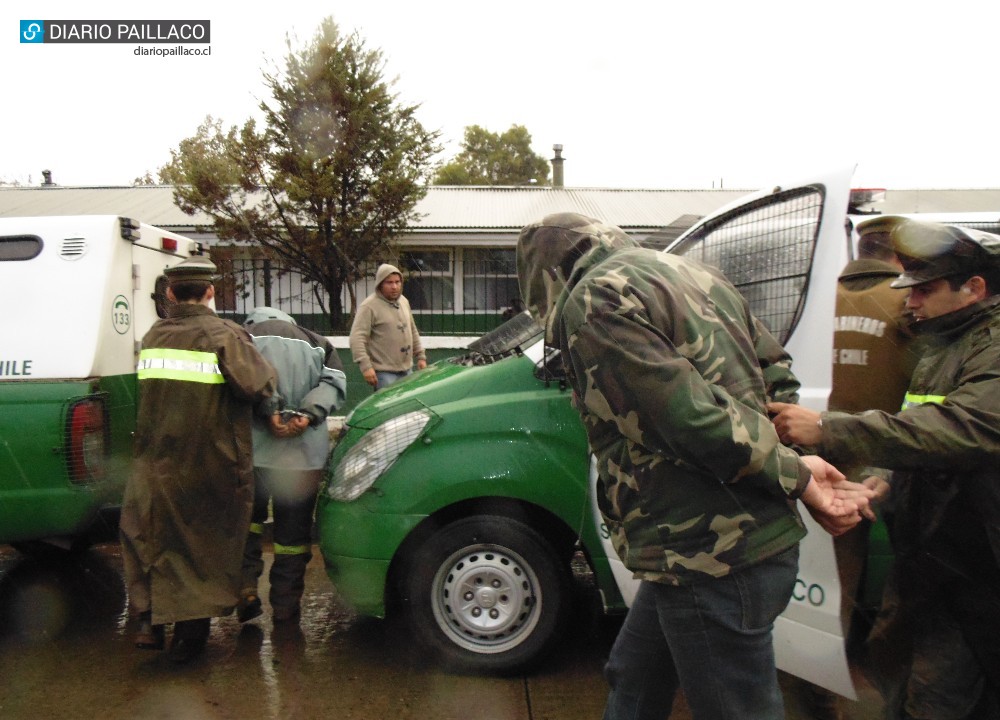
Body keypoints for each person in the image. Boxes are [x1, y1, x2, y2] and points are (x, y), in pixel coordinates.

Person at [516, 212, 875, 720]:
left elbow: (684, 419)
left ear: (545, 276)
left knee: (735, 708)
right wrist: (792, 465)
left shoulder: (594, 299)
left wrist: (796, 476)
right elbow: (776, 377)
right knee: (635, 677)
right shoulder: (693, 273)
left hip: (711, 555)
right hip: (707, 550)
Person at [770, 219, 1000, 719]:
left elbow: (967, 428)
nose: (910, 301)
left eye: (925, 289)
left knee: (936, 697)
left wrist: (829, 429)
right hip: (932, 559)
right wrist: (887, 478)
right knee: (896, 666)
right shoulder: (944, 343)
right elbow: (921, 424)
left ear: (975, 288)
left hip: (979, 570)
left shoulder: (993, 346)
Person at [120, 255, 279, 663]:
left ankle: (149, 623)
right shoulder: (223, 335)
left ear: (171, 293)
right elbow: (258, 384)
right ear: (210, 292)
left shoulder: (154, 335)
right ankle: (190, 638)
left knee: (152, 538)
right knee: (202, 547)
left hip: (156, 461)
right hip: (209, 460)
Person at [801, 214, 920, 720]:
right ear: (898, 255)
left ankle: (820, 687)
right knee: (910, 582)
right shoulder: (909, 305)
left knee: (833, 586)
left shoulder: (813, 303)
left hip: (825, 464)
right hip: (898, 466)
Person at [238, 307, 347, 624]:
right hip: (302, 460)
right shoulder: (319, 342)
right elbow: (335, 383)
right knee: (292, 537)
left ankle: (245, 589)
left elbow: (243, 380)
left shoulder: (242, 339)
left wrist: (268, 409)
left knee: (248, 525)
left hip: (253, 454)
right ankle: (286, 607)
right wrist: (306, 415)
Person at [349, 263, 427, 390]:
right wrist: (366, 367)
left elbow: (412, 331)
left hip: (407, 370)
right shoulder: (369, 306)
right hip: (384, 373)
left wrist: (421, 356)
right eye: (389, 282)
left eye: (397, 282)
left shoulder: (403, 302)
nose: (394, 286)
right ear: (380, 284)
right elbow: (356, 338)